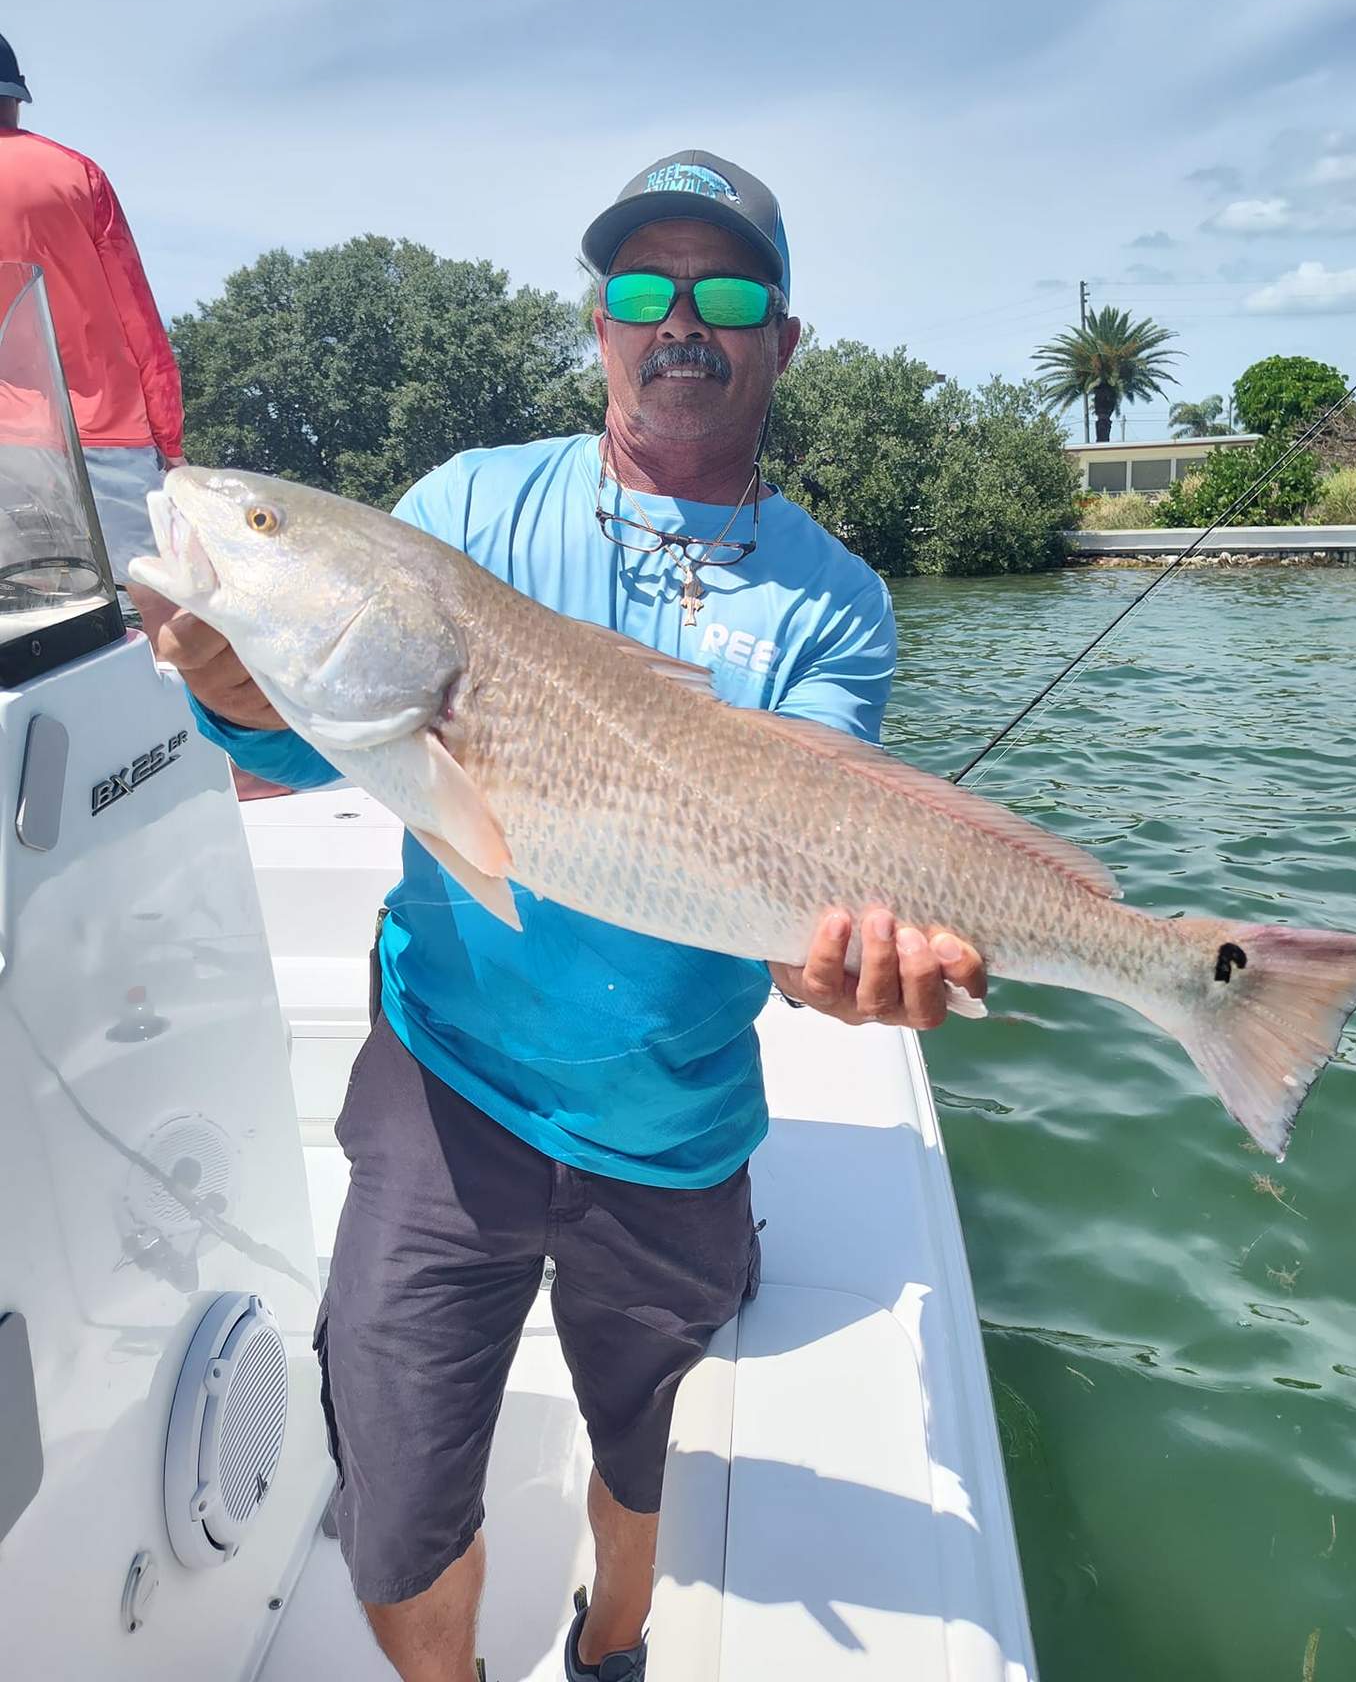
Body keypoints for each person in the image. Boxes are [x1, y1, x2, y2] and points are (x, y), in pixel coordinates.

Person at [132, 150, 986, 1682]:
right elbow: (324, 730)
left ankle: (614, 1648)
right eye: (640, 291)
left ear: (780, 338)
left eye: (724, 293)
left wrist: (843, 973)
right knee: (392, 1494)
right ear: (595, 322)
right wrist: (238, 692)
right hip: (446, 1077)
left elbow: (806, 883)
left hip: (673, 1117)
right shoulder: (467, 503)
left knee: (644, 1443)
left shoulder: (835, 602)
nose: (679, 322)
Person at [0, 32, 183, 606]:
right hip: (106, 439)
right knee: (148, 625)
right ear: (16, 97)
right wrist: (169, 441)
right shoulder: (76, 174)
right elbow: (138, 319)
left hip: (6, 448)